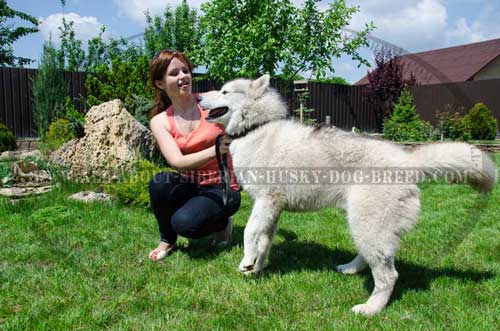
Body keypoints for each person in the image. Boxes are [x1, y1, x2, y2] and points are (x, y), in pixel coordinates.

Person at [147, 49, 241, 261]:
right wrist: (215, 149)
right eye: (174, 74)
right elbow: (177, 162)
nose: (183, 77)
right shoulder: (160, 121)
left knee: (186, 224)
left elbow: (247, 112)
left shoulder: (213, 101)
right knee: (160, 182)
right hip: (191, 186)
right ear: (160, 83)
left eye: (185, 71)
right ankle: (167, 239)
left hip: (223, 188)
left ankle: (223, 222)